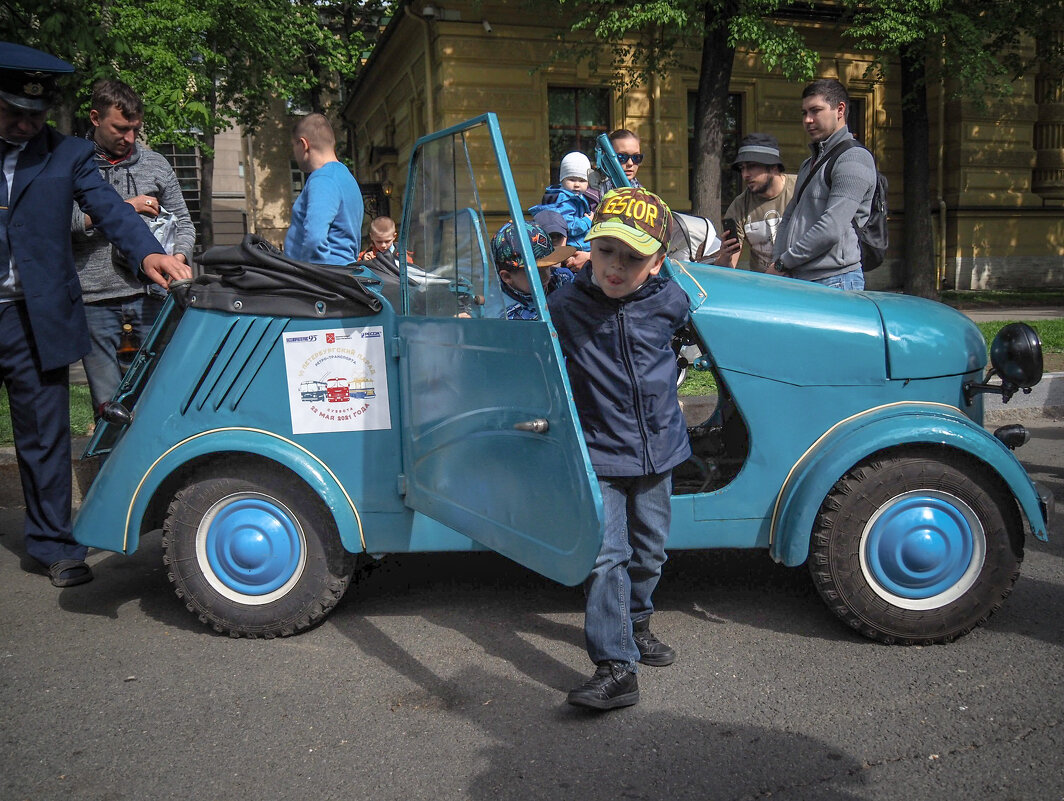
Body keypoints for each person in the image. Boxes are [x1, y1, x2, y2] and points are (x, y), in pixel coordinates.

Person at [0, 43, 191, 587]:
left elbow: (107, 210)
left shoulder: (67, 156)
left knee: (44, 436)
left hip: (34, 319)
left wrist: (148, 251)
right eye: (13, 110)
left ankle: (54, 543)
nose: (24, 122)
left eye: (34, 114)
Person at [548, 187, 691, 710]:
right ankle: (615, 666)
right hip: (600, 450)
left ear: (656, 264)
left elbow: (690, 339)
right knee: (607, 555)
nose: (614, 267)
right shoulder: (567, 306)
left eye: (632, 259)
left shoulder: (670, 302)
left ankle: (636, 624)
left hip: (659, 449)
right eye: (606, 251)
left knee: (649, 550)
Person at [72, 79, 196, 413]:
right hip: (94, 300)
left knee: (161, 393)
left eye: (135, 129)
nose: (129, 138)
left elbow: (184, 222)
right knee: (109, 403)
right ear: (95, 118)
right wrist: (130, 205)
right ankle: (111, 462)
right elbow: (68, 223)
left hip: (152, 299)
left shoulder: (156, 164)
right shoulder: (72, 162)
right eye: (120, 128)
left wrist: (178, 257)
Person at [770, 78, 876, 290]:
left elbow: (830, 228)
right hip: (800, 278)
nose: (808, 120)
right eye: (804, 113)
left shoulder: (853, 158)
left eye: (816, 110)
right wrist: (777, 263)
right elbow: (789, 217)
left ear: (840, 110)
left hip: (835, 280)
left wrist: (784, 262)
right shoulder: (809, 163)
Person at [285, 113, 363, 265]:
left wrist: (303, 274)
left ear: (303, 144)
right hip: (339, 275)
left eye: (294, 146)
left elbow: (314, 238)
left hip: (319, 280)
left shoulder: (323, 179)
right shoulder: (347, 178)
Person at [714, 133, 796, 272]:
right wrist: (724, 257)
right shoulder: (739, 206)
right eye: (742, 168)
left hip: (802, 282)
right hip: (762, 286)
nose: (745, 174)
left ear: (774, 167)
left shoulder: (800, 189)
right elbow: (727, 270)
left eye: (751, 166)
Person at [490, 219, 575, 321]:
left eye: (547, 267)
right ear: (507, 277)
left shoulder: (560, 278)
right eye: (535, 272)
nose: (546, 276)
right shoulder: (506, 316)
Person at [528, 151, 594, 270]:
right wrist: (587, 221)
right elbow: (569, 226)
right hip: (574, 246)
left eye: (582, 180)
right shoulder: (564, 200)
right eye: (572, 179)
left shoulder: (577, 197)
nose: (577, 185)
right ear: (562, 180)